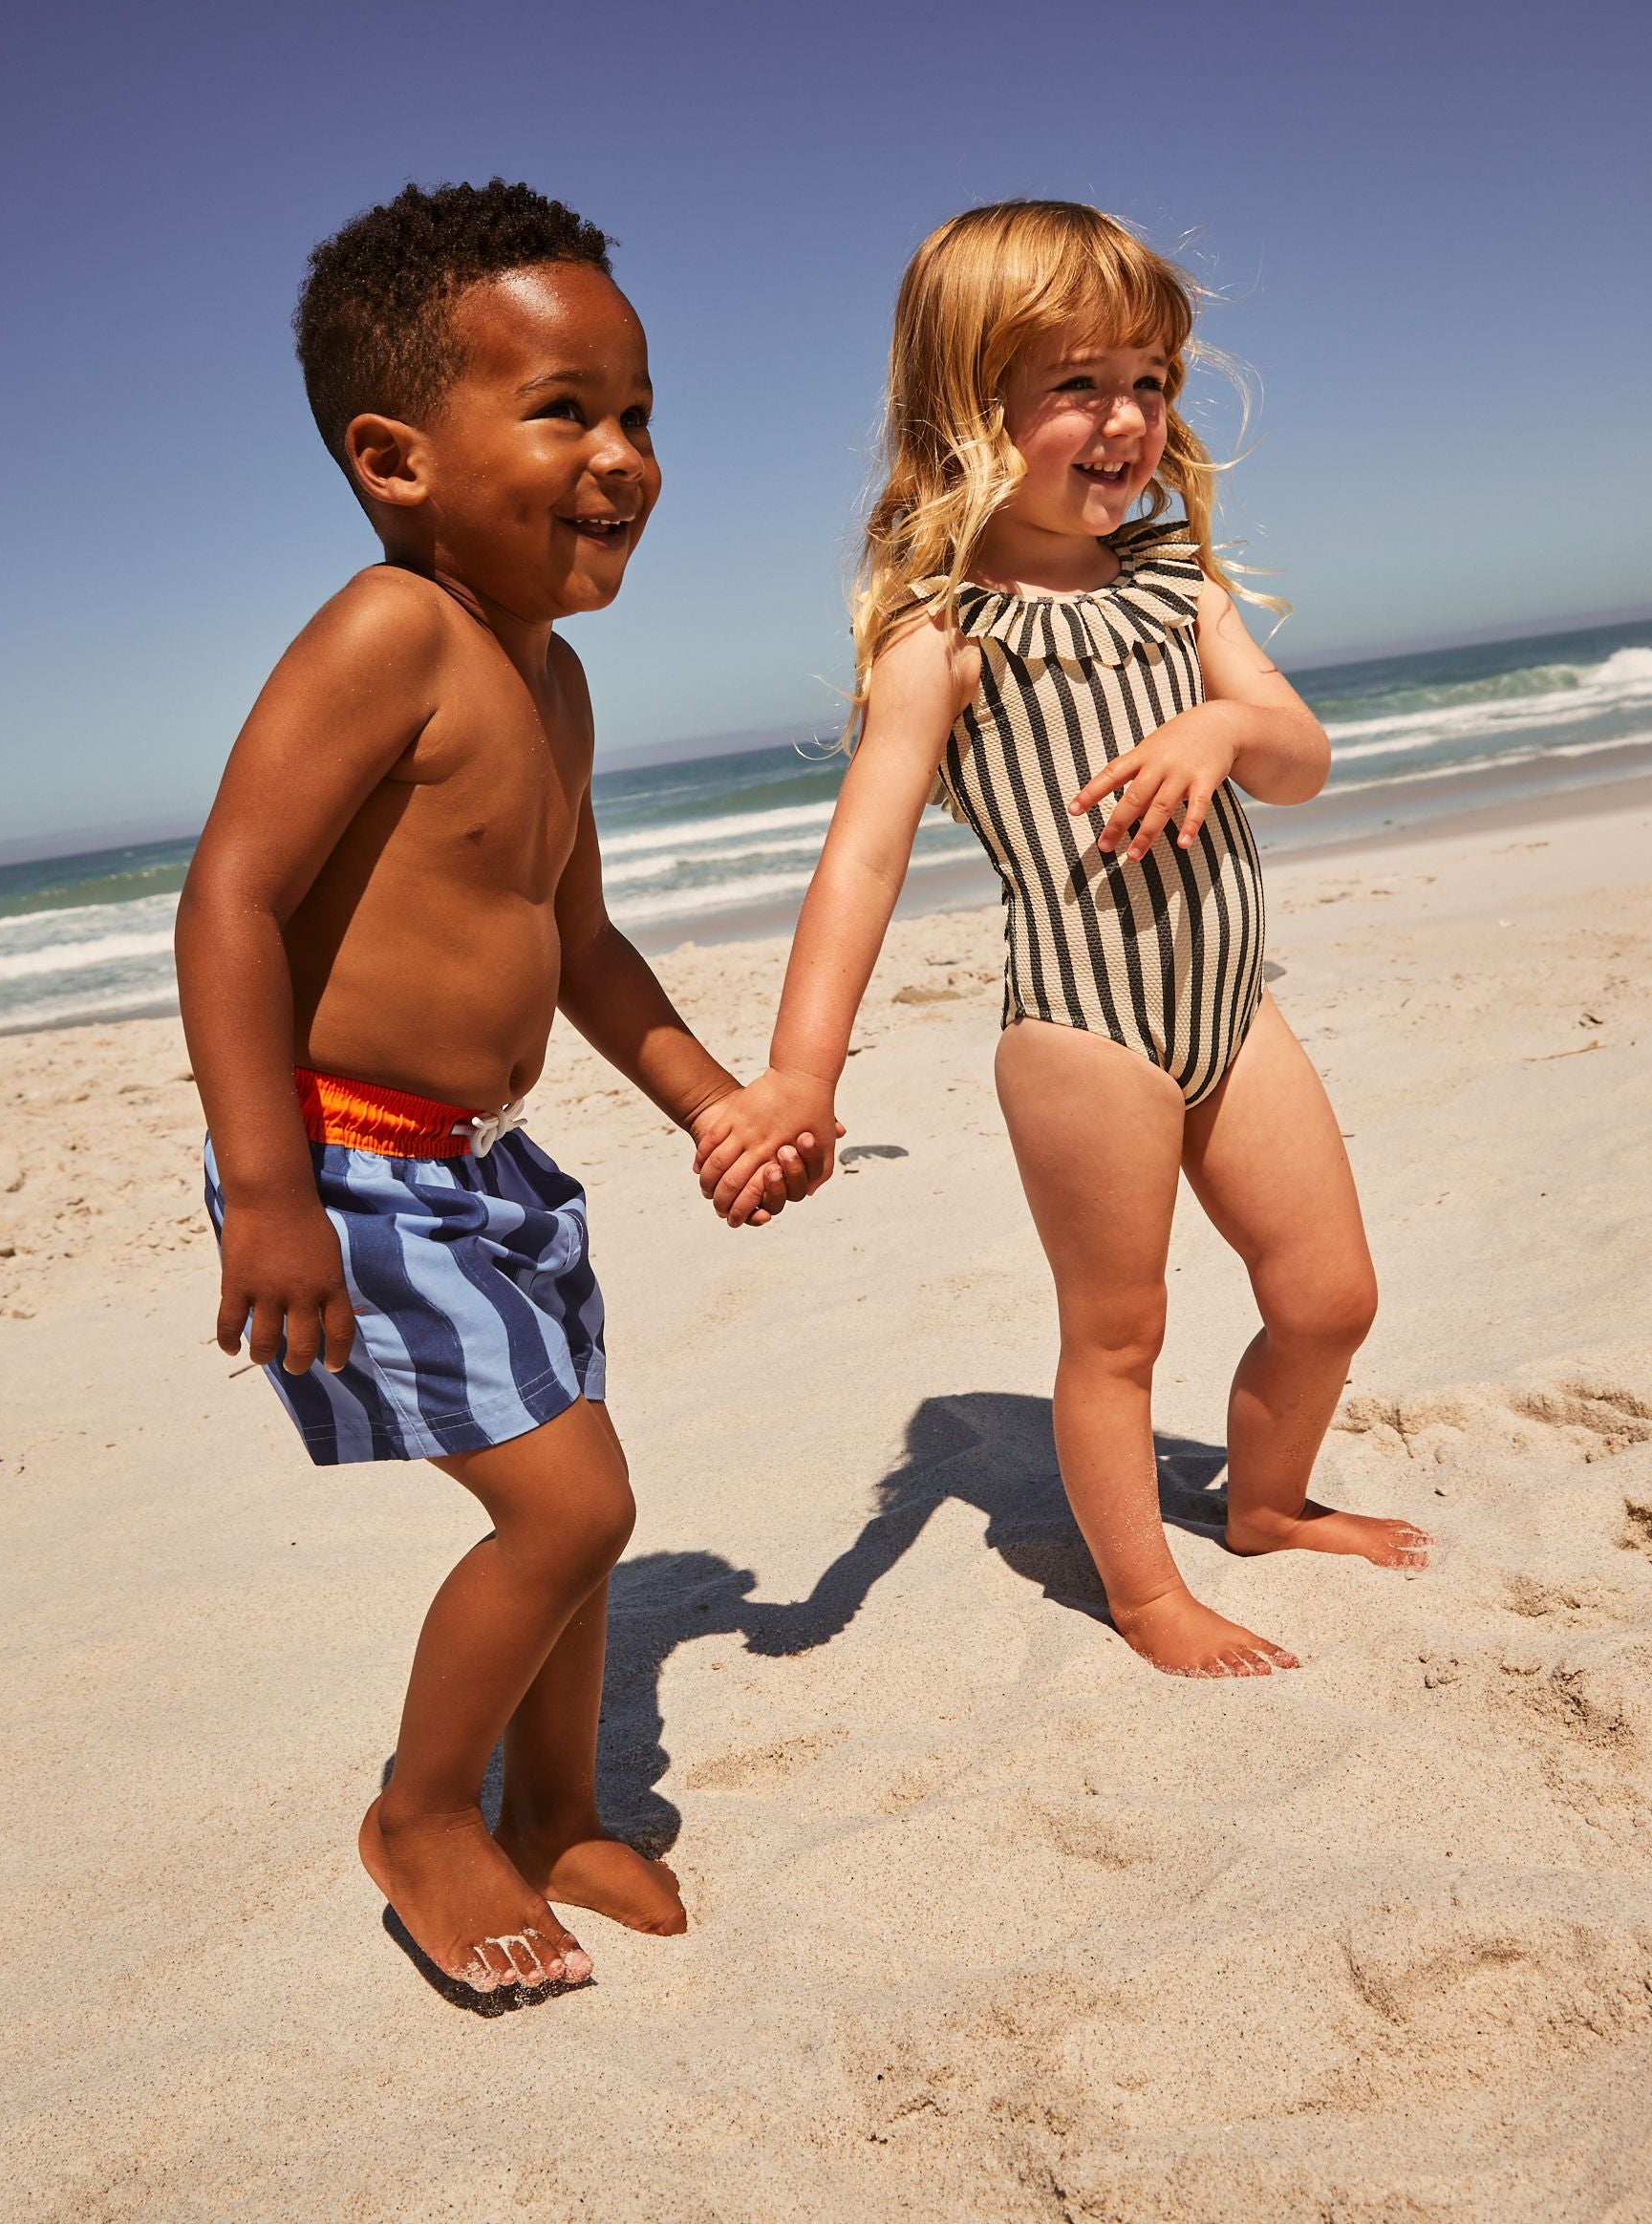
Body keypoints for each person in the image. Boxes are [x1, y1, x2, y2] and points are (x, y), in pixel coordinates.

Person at [176, 179, 819, 1999]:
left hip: (484, 1166)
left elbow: (585, 943)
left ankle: (555, 1801)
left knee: (580, 1490)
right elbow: (228, 895)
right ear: (396, 456)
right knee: (572, 1503)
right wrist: (269, 1184)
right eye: (563, 412)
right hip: (348, 1165)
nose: (622, 457)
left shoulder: (558, 686)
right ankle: (423, 1815)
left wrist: (706, 1094)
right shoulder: (387, 638)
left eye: (638, 415)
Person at [695, 199, 1429, 1679]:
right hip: (1085, 1031)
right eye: (1081, 385)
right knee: (1119, 1337)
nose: (1128, 418)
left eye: (1150, 382)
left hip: (1233, 1005)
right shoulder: (944, 635)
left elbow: (1302, 758)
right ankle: (1148, 1597)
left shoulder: (1177, 589)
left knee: (1330, 1295)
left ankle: (1267, 1507)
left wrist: (1227, 722)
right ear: (977, 411)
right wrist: (796, 1077)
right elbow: (864, 858)